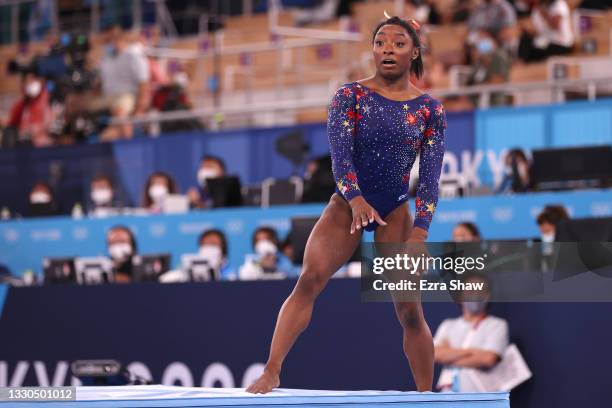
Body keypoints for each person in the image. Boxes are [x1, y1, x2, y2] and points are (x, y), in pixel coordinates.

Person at [247, 16, 446, 393]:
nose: (388, 48)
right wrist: (354, 199)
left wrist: (421, 231)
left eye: (399, 43)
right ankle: (271, 370)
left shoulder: (429, 110)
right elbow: (340, 160)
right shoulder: (349, 96)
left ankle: (425, 396)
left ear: (415, 52)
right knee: (309, 280)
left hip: (393, 211)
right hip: (346, 204)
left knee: (409, 309)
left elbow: (431, 179)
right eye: (381, 42)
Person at [434, 274, 509, 392]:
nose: (475, 294)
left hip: (480, 398)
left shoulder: (497, 325)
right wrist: (472, 352)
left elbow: (488, 359)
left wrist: (449, 355)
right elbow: (433, 355)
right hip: (448, 397)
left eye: (479, 290)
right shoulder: (447, 325)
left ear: (488, 296)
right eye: (470, 290)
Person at [93, 26, 151, 141]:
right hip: (108, 97)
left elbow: (144, 83)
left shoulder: (134, 55)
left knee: (120, 114)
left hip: (127, 95)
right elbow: (101, 82)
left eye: (115, 38)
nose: (112, 42)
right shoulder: (107, 58)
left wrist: (140, 108)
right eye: (110, 40)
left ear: (122, 39)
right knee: (78, 105)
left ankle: (127, 145)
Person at [5, 67, 54, 147]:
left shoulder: (48, 99)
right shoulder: (21, 105)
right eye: (28, 81)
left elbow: (50, 123)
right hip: (26, 147)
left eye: (33, 80)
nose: (30, 83)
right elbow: (11, 123)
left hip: (44, 146)